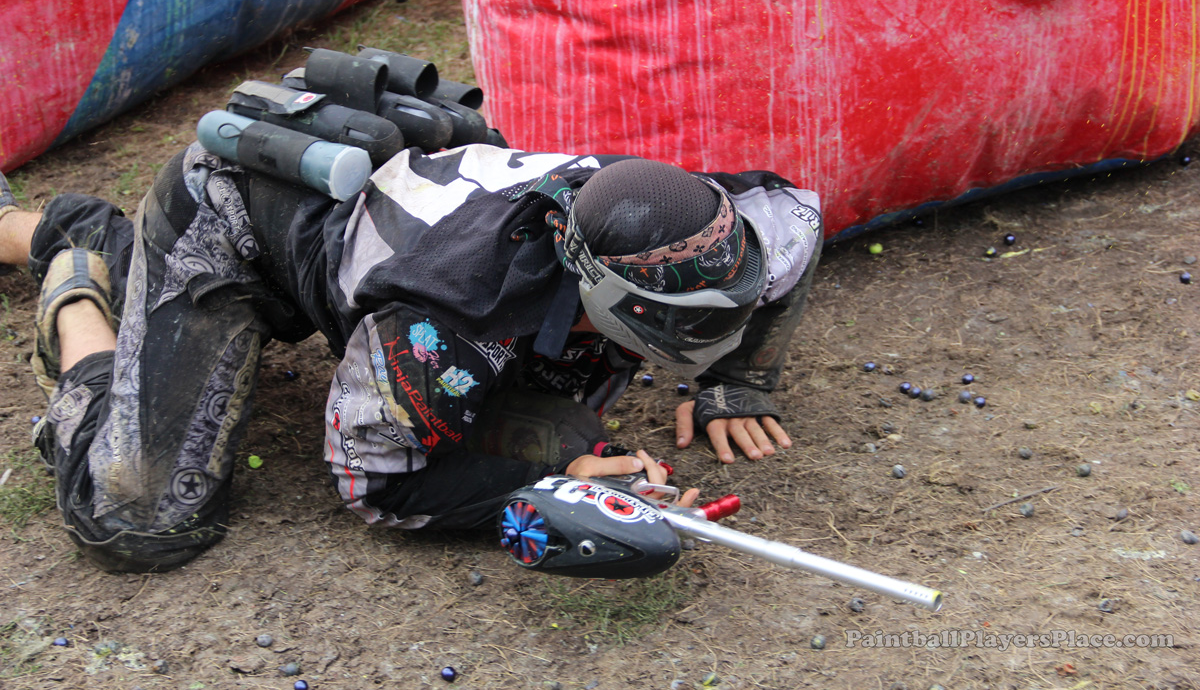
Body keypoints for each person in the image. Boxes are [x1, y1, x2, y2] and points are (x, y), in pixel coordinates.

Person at [0, 136, 821, 573]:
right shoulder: (447, 324)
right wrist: (551, 489)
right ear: (603, 293)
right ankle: (77, 262)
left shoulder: (707, 220)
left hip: (376, 216)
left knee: (564, 421)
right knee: (140, 518)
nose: (734, 313)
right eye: (692, 321)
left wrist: (736, 384)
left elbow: (799, 220)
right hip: (229, 220)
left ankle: (99, 248)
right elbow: (374, 480)